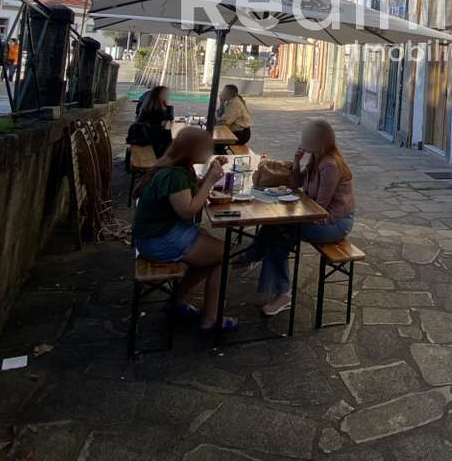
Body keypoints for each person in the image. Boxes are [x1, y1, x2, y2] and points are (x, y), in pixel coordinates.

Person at [131, 127, 237, 332]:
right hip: (157, 240)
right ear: (191, 149)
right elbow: (188, 211)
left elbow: (194, 191)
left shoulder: (178, 166)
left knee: (210, 254)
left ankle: (176, 303)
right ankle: (210, 319)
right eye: (206, 148)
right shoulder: (174, 175)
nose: (209, 151)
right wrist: (212, 179)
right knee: (224, 254)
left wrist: (209, 173)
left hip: (154, 235)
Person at [247, 119, 355, 316]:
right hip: (317, 216)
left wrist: (293, 217)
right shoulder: (316, 159)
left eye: (306, 137)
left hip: (334, 223)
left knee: (279, 233)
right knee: (273, 227)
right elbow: (295, 184)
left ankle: (283, 293)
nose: (302, 140)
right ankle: (255, 257)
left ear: (318, 140)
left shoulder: (330, 165)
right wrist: (297, 161)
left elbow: (320, 209)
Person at [135, 85, 174, 157]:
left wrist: (167, 105)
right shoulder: (154, 110)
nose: (168, 96)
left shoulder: (151, 106)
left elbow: (169, 118)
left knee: (170, 137)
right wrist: (169, 106)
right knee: (171, 138)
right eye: (166, 94)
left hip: (148, 137)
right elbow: (169, 118)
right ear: (159, 95)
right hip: (147, 139)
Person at [214, 84, 252, 154]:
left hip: (240, 135)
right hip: (234, 133)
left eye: (224, 91)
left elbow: (224, 122)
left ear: (230, 93)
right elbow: (219, 114)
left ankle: (222, 159)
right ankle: (221, 157)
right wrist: (222, 102)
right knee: (216, 143)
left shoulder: (235, 103)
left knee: (216, 144)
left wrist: (214, 123)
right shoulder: (229, 101)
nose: (222, 93)